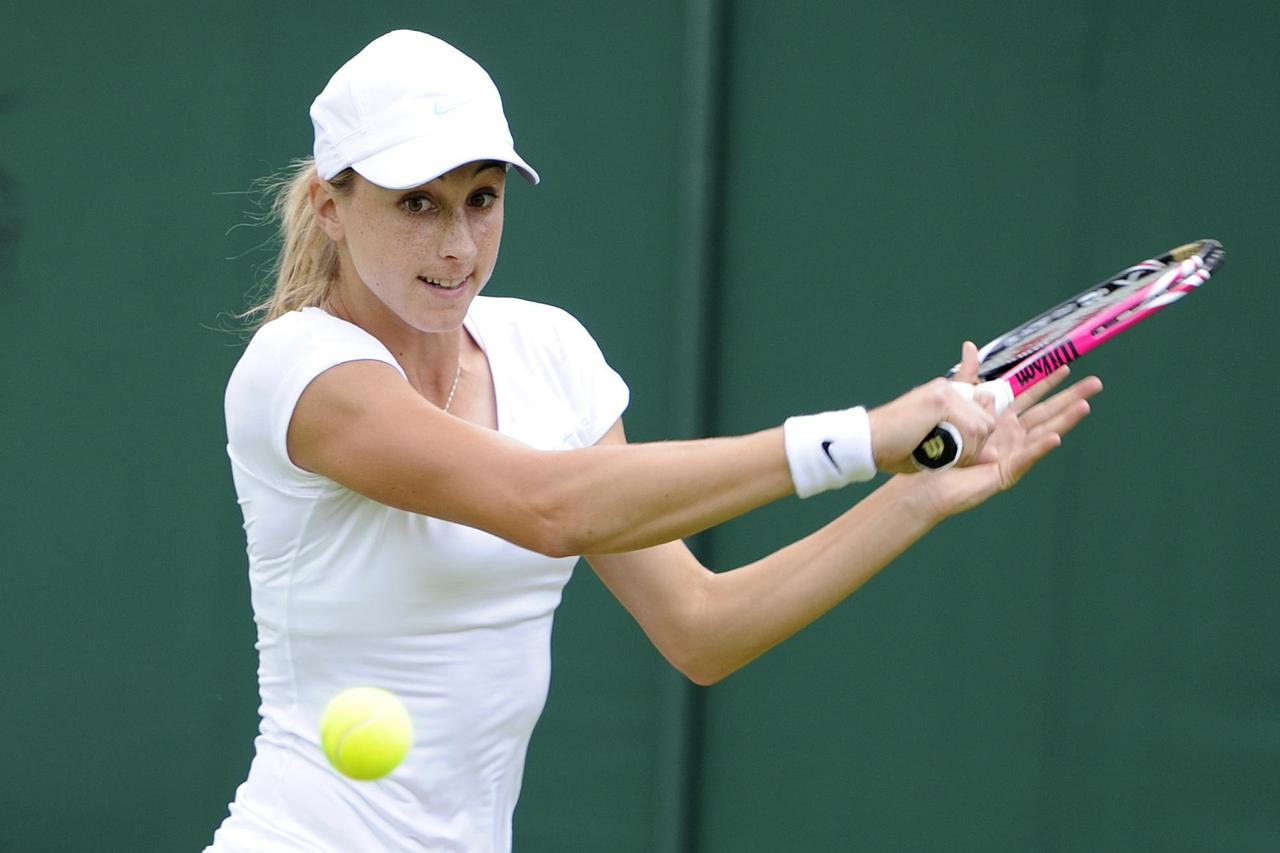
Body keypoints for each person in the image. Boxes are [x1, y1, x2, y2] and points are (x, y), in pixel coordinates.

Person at [205, 29, 1101, 853]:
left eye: (482, 199)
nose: (459, 244)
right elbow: (548, 507)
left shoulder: (551, 353)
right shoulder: (302, 370)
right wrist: (860, 438)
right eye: (417, 204)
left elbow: (701, 628)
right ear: (329, 205)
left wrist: (918, 493)